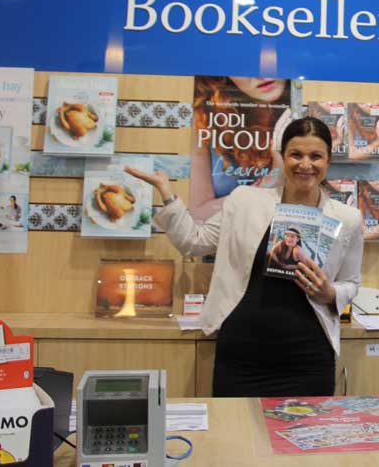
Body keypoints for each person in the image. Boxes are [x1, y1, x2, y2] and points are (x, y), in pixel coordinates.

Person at [126, 116, 363, 397]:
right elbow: (194, 242)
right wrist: (167, 194)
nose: (305, 164)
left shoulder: (347, 218)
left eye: (316, 156)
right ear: (282, 157)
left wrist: (329, 293)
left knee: (301, 437)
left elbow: (351, 282)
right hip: (242, 354)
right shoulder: (245, 200)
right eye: (296, 154)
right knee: (238, 436)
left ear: (328, 161)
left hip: (308, 356)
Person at [189, 76, 291, 221]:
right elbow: (198, 213)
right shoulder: (205, 117)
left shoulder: (308, 108)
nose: (261, 75)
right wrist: (275, 175)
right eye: (245, 63)